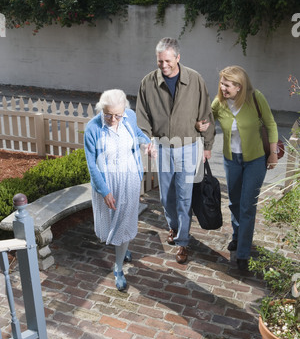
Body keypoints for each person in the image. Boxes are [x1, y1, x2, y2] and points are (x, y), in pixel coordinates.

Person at [136, 37, 215, 264]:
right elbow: (142, 117)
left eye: (168, 61)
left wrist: (207, 145)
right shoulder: (148, 83)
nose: (163, 66)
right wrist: (146, 140)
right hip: (162, 148)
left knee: (184, 197)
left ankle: (182, 241)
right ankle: (173, 226)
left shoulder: (195, 80)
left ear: (178, 58)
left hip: (188, 147)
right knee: (165, 197)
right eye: (160, 61)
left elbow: (206, 115)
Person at [198, 66, 278, 271]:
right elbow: (207, 120)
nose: (222, 88)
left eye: (227, 85)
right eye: (222, 84)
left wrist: (273, 153)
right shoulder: (219, 103)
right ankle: (237, 235)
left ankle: (243, 254)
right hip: (231, 160)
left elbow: (270, 124)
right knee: (234, 202)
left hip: (256, 160)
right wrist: (202, 126)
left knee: (247, 205)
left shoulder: (255, 98)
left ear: (239, 86)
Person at [84, 89, 153, 291]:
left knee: (125, 221)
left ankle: (118, 267)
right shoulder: (93, 128)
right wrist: (104, 191)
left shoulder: (129, 117)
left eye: (118, 115)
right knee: (111, 223)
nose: (113, 119)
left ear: (124, 110)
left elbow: (138, 134)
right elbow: (92, 165)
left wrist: (147, 143)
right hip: (108, 183)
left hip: (129, 179)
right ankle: (123, 248)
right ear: (101, 110)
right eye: (108, 114)